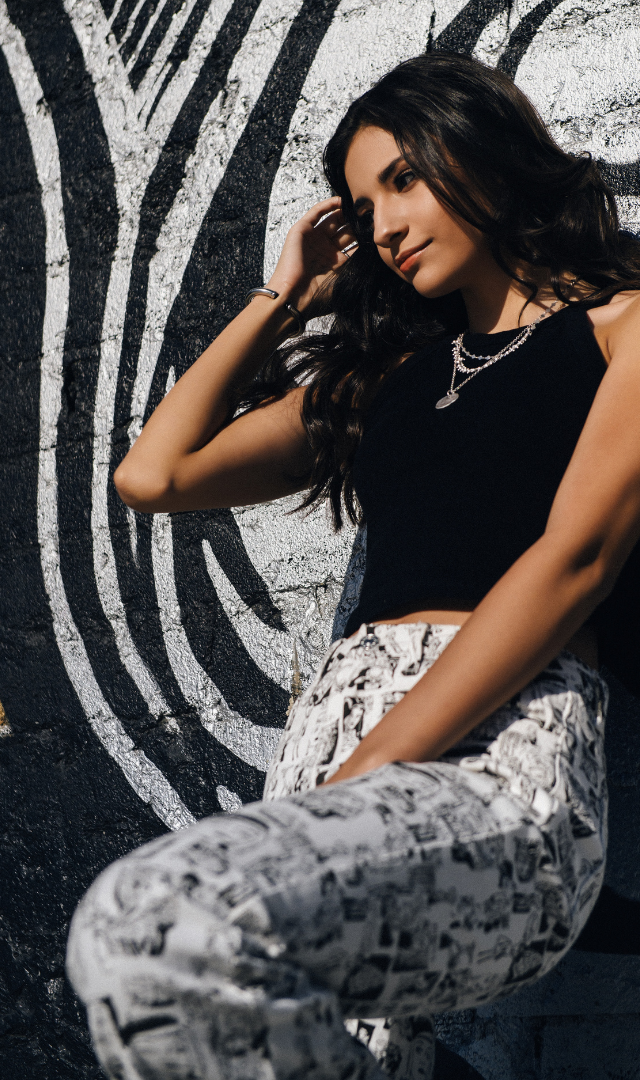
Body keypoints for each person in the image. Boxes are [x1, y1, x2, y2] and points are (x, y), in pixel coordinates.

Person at [66, 53, 640, 1080]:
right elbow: (154, 475)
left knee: (154, 931)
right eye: (363, 202)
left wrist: (368, 771)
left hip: (498, 744)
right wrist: (280, 295)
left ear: (483, 154)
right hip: (331, 740)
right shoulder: (385, 380)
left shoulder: (623, 331)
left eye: (403, 181)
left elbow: (573, 559)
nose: (382, 224)